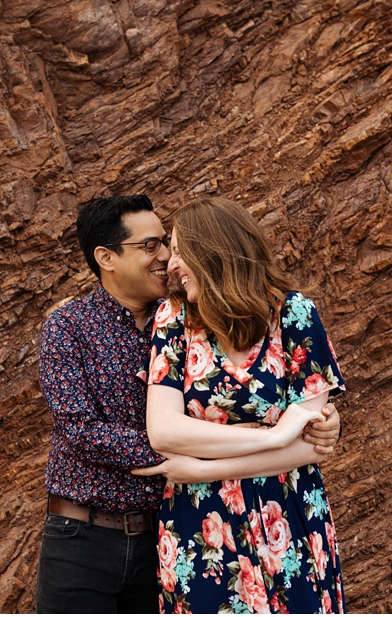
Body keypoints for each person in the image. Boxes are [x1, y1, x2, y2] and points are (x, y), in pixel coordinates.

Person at [35, 195, 343, 614]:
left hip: (175, 527)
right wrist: (259, 439)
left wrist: (317, 429)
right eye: (151, 247)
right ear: (106, 258)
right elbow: (84, 431)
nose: (164, 257)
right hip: (87, 535)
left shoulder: (200, 313)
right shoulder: (71, 326)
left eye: (169, 245)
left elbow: (310, 435)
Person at [134, 197, 346, 614]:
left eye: (179, 251)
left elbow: (311, 446)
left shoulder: (294, 314)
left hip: (291, 515)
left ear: (210, 250)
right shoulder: (173, 318)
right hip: (201, 529)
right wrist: (276, 435)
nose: (171, 265)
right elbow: (164, 431)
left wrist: (202, 468)